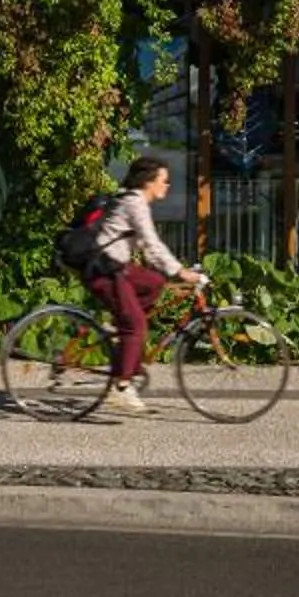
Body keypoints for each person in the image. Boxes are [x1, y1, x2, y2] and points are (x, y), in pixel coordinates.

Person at [88, 155, 205, 416]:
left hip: (116, 267)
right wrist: (180, 271)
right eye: (164, 181)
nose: (167, 186)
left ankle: (123, 326)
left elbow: (147, 249)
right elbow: (151, 243)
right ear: (148, 182)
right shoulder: (135, 203)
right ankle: (121, 387)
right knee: (137, 325)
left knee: (154, 282)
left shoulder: (132, 200)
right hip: (106, 270)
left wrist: (169, 271)